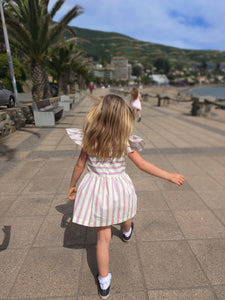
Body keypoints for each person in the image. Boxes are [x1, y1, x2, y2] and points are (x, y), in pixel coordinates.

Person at [66, 94, 184, 299]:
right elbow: (142, 165)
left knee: (102, 239)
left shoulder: (89, 139)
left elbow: (79, 165)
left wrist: (73, 185)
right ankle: (127, 231)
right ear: (123, 119)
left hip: (96, 188)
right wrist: (168, 175)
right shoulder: (123, 142)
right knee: (125, 211)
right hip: (120, 186)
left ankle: (104, 282)